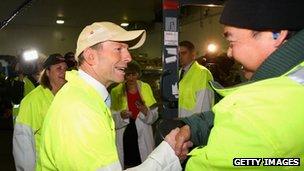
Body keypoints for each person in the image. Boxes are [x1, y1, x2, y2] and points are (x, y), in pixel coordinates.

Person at [173, 0, 304, 170]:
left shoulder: (252, 114)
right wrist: (195, 127)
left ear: (276, 34)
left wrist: (183, 157)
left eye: (232, 41)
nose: (229, 52)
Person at [36, 22, 183, 171]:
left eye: (126, 49)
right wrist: (167, 153)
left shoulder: (86, 97)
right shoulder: (79, 109)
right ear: (91, 56)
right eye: (119, 49)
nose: (128, 57)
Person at [13, 54, 67, 171]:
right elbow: (23, 143)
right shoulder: (32, 101)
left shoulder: (67, 96)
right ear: (47, 72)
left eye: (65, 68)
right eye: (58, 68)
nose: (64, 72)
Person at [111, 60, 158, 168]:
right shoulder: (115, 91)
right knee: (127, 165)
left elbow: (154, 116)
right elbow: (111, 119)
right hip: (125, 136)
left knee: (144, 165)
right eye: (128, 74)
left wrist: (146, 111)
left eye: (134, 74)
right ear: (124, 75)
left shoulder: (146, 87)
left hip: (143, 133)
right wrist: (121, 116)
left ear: (138, 74)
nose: (131, 78)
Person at [178, 40, 214, 118]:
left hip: (194, 126)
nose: (180, 56)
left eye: (183, 53)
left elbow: (204, 106)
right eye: (178, 54)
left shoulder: (202, 73)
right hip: (181, 123)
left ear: (193, 54)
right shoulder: (179, 73)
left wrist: (196, 127)